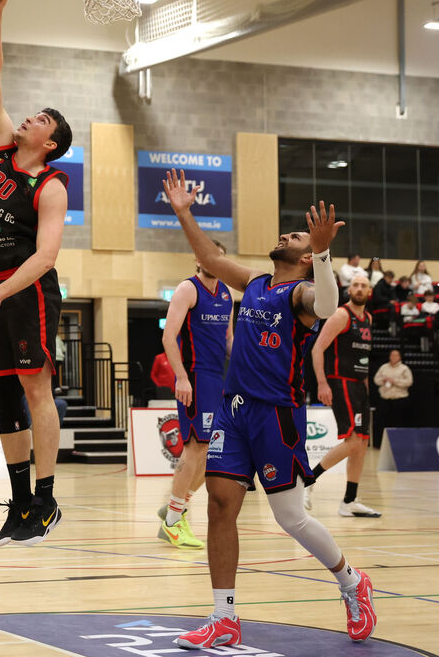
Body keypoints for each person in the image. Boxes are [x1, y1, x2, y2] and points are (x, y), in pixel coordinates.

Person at [162, 170, 376, 648]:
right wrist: (183, 212)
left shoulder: (300, 295)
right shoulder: (256, 282)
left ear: (304, 256)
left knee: (290, 518)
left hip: (275, 415)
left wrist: (322, 252)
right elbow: (211, 257)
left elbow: (325, 304)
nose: (285, 233)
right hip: (233, 412)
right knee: (220, 505)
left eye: (294, 235)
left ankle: (351, 582)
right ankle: (224, 617)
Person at [0, 0, 71, 548]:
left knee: (36, 390)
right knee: (4, 396)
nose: (27, 118)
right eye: (29, 115)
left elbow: (46, 256)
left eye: (39, 119)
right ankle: (21, 505)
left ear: (50, 142)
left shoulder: (51, 187)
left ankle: (48, 498)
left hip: (26, 289)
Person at [157, 240, 233, 549]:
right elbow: (168, 336)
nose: (212, 260)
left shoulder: (227, 293)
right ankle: (174, 521)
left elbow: (229, 339)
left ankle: (175, 506)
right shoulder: (188, 289)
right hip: (195, 378)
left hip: (218, 380)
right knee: (196, 450)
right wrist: (182, 377)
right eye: (206, 254)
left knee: (212, 453)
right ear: (197, 258)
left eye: (217, 256)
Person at [307, 274, 380, 518]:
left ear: (369, 291)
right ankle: (309, 479)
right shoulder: (341, 315)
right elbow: (317, 349)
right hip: (340, 383)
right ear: (350, 289)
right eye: (355, 285)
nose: (359, 289)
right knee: (353, 442)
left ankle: (349, 500)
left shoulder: (368, 318)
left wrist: (367, 388)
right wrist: (322, 383)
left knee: (361, 446)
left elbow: (364, 359)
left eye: (364, 286)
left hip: (359, 386)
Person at [374, 350, 413, 433]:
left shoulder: (404, 368)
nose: (393, 357)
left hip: (399, 399)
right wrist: (383, 380)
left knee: (399, 422)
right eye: (392, 355)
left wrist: (394, 381)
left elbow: (409, 382)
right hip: (385, 399)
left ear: (399, 357)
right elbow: (376, 380)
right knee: (383, 422)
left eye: (396, 355)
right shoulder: (384, 367)